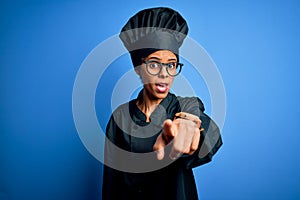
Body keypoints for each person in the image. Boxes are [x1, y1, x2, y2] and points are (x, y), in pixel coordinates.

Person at [102, 7, 222, 200]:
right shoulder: (120, 117)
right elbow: (111, 183)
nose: (164, 73)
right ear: (138, 69)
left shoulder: (184, 107)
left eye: (171, 64)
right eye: (154, 64)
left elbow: (205, 129)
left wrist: (189, 126)